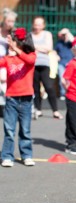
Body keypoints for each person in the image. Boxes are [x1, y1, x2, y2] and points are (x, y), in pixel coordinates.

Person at [0, 28, 36, 167]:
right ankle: (7, 156)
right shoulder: (8, 59)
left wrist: (16, 48)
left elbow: (30, 60)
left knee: (25, 130)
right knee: (9, 130)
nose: (12, 44)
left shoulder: (31, 55)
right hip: (11, 99)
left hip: (26, 99)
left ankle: (26, 155)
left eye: (15, 42)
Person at [31, 16, 63, 120]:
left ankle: (55, 110)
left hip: (45, 64)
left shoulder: (47, 34)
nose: (37, 26)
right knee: (35, 88)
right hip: (33, 64)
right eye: (36, 24)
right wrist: (41, 48)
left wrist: (34, 47)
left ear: (43, 25)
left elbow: (48, 48)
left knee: (49, 87)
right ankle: (38, 109)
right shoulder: (30, 35)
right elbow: (27, 48)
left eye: (39, 24)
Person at [0, 8, 17, 108]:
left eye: (12, 21)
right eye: (8, 21)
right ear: (4, 20)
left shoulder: (14, 33)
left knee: (4, 79)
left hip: (8, 59)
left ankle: (7, 101)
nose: (10, 23)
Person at [55, 28, 74, 100]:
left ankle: (70, 93)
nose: (63, 36)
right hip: (61, 63)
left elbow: (74, 42)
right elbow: (54, 51)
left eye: (64, 34)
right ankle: (63, 93)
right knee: (62, 79)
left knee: (70, 80)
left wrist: (67, 33)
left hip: (70, 63)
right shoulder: (59, 43)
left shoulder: (70, 43)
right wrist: (56, 56)